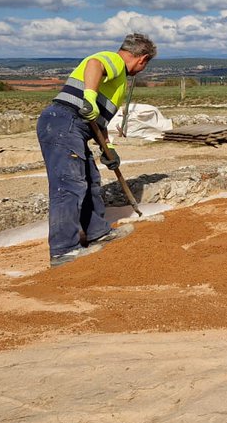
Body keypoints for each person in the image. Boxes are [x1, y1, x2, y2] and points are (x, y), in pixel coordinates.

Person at [36, 33, 157, 266]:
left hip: (75, 127)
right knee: (69, 185)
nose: (143, 69)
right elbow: (94, 64)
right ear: (142, 59)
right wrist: (89, 97)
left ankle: (97, 233)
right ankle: (63, 250)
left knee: (91, 181)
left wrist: (107, 147)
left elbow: (98, 120)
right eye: (145, 65)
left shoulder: (117, 80)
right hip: (64, 121)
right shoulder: (114, 60)